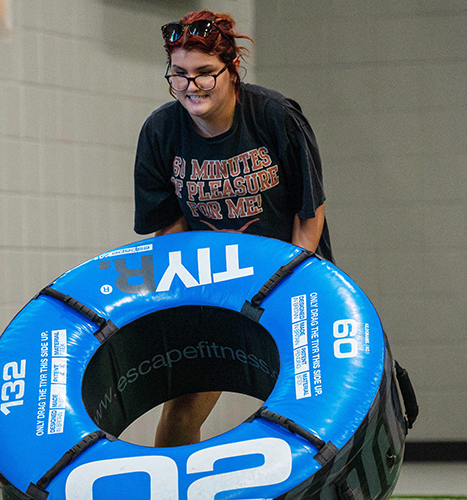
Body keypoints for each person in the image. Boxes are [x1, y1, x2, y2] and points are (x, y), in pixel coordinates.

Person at [133, 10, 332, 447]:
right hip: (214, 292)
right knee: (182, 410)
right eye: (180, 74)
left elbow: (309, 214)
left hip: (290, 284)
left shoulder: (276, 117)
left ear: (232, 70)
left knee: (309, 407)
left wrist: (283, 291)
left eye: (205, 73)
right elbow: (169, 231)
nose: (192, 86)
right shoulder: (160, 132)